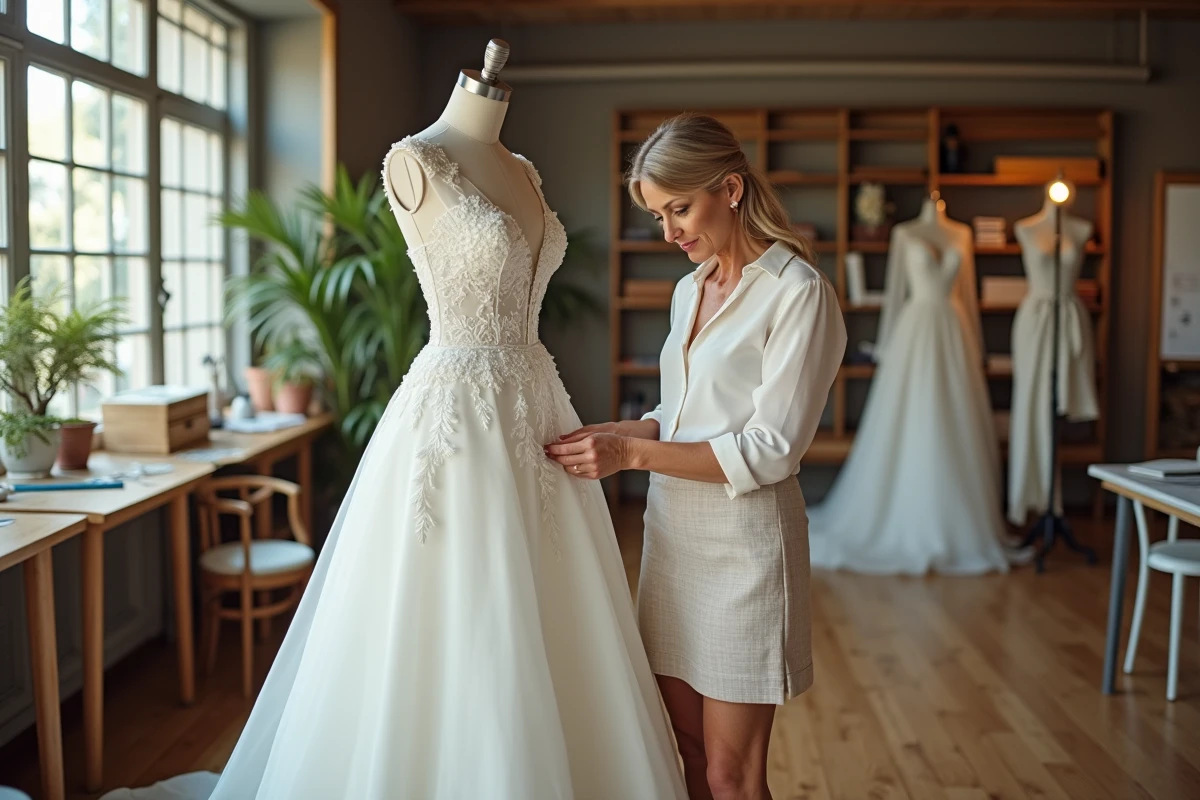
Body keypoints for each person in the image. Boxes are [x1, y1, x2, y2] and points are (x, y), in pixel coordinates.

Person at [100, 117, 687, 800]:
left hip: (539, 405)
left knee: (551, 604)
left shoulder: (523, 169)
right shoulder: (417, 161)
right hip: (456, 414)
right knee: (459, 599)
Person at [546, 113, 846, 800]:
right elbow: (677, 414)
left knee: (731, 776)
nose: (669, 231)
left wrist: (628, 453)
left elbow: (770, 450)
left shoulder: (798, 294)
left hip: (745, 550)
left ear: (731, 189)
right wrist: (607, 432)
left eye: (679, 208)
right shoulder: (690, 289)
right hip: (672, 543)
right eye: (658, 216)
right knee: (684, 750)